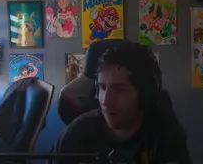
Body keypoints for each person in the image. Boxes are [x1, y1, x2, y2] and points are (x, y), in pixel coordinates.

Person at [53, 42, 192, 164]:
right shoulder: (73, 138)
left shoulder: (166, 135)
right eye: (102, 88)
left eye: (119, 89)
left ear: (145, 94)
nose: (106, 101)